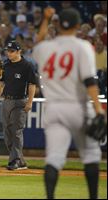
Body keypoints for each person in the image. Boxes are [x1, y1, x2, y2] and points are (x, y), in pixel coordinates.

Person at [32, 8, 105, 199]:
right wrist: (99, 109)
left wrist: (45, 19)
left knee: (54, 157)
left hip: (54, 108)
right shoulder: (82, 46)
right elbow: (90, 81)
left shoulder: (44, 49)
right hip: (78, 106)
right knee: (90, 154)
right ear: (77, 25)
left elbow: (37, 43)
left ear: (56, 25)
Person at [0, 40, 37, 170]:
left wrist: (30, 101)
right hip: (7, 100)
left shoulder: (27, 66)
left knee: (16, 131)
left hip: (20, 101)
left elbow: (32, 85)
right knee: (6, 131)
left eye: (12, 51)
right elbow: (0, 84)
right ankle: (20, 160)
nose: (9, 53)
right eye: (8, 51)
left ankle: (15, 160)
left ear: (19, 51)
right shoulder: (5, 65)